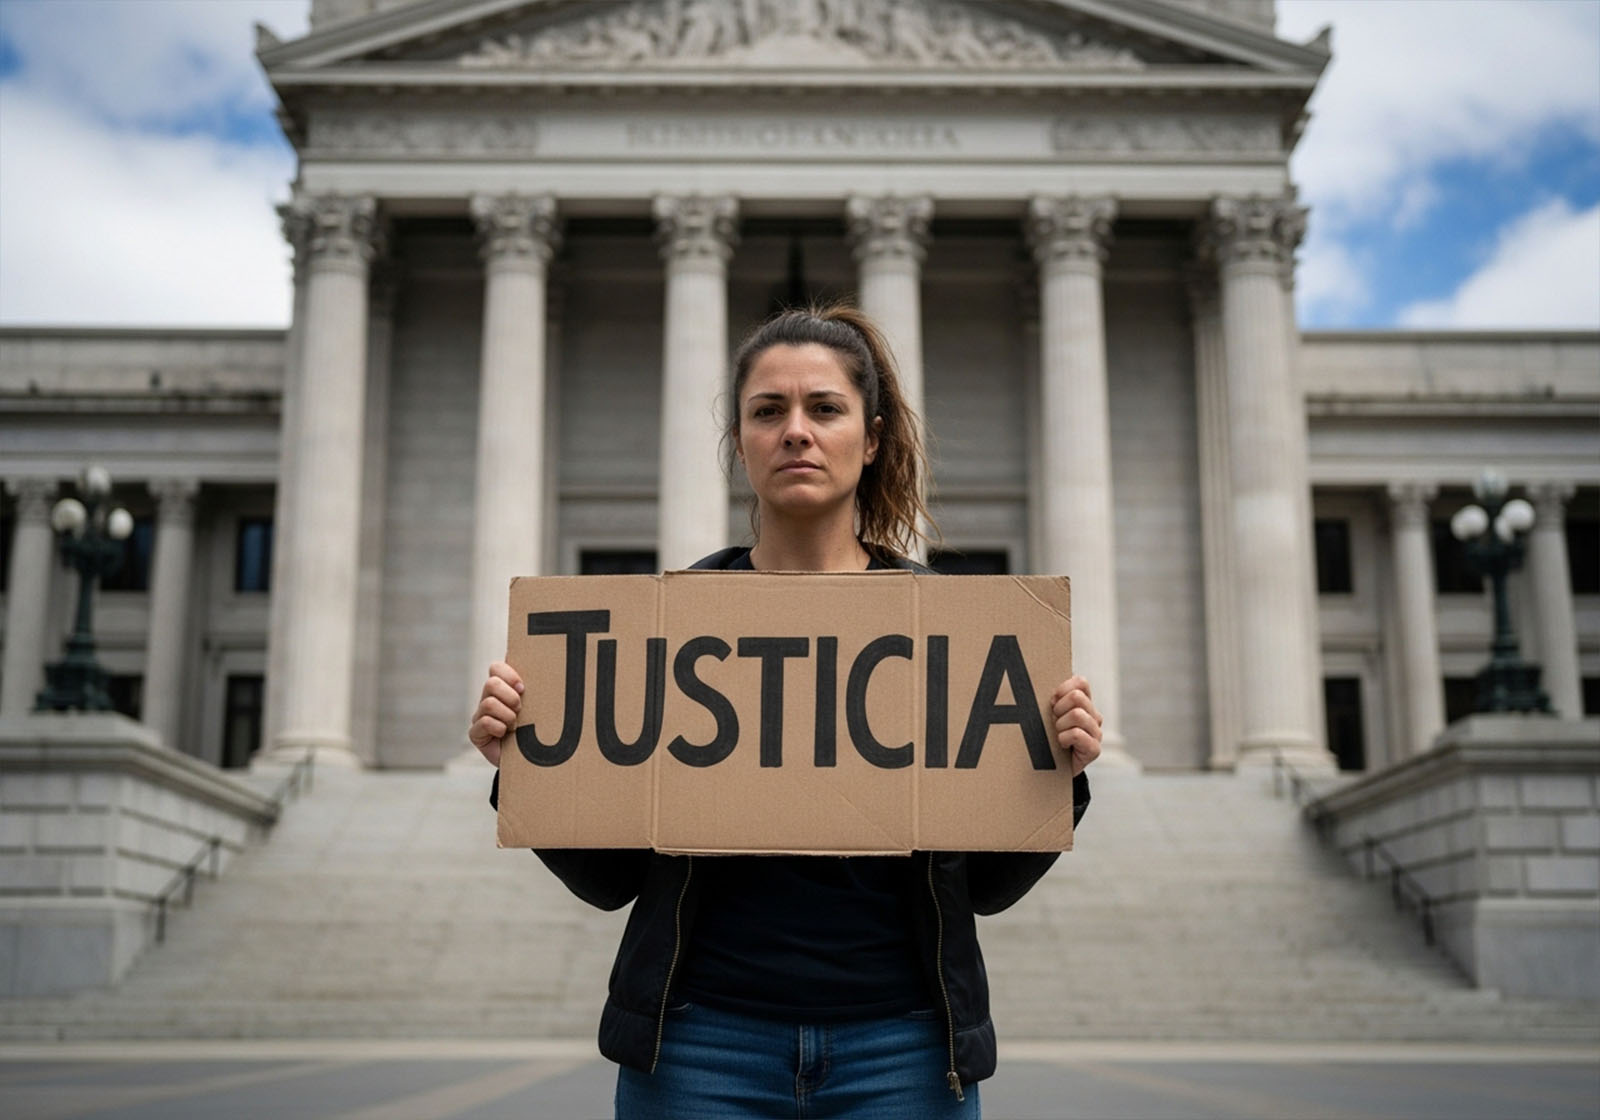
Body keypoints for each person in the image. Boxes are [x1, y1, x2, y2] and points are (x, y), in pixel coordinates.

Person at [469, 305, 1103, 1119]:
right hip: (698, 1047)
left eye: (824, 409)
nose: (795, 432)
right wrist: (525, 767)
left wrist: (1062, 773)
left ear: (870, 439)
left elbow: (983, 889)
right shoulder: (661, 630)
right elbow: (610, 882)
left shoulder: (958, 633)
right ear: (741, 443)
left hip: (904, 1050)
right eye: (768, 412)